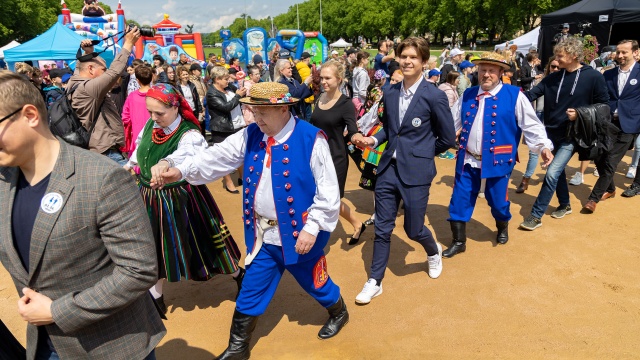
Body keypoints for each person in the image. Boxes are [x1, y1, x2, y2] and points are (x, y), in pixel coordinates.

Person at [154, 81, 349, 359]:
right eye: (252, 112)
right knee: (251, 289)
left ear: (283, 109)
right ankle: (238, 348)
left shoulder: (310, 138)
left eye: (262, 113)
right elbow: (216, 157)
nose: (255, 119)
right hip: (264, 236)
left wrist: (313, 227)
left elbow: (328, 190)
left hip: (300, 235)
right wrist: (181, 170)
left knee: (316, 284)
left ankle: (338, 311)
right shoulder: (251, 134)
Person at [0, 71, 165, 359]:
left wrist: (56, 311)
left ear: (29, 115)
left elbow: (138, 270)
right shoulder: (4, 181)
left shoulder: (103, 178)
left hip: (110, 347)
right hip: (44, 346)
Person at [352, 37, 457, 304]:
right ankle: (375, 281)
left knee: (413, 229)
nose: (408, 61)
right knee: (383, 228)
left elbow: (446, 139)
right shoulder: (390, 91)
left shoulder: (434, 95)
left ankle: (432, 251)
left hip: (417, 172)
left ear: (424, 62)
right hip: (388, 169)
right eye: (404, 56)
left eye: (413, 57)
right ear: (398, 59)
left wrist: (420, 154)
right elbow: (389, 128)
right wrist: (373, 140)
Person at [124, 83, 244, 315]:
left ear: (176, 107)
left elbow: (188, 155)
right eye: (150, 112)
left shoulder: (189, 133)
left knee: (206, 241)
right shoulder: (153, 124)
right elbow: (141, 149)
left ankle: (238, 275)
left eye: (159, 113)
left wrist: (166, 163)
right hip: (150, 196)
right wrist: (129, 166)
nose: (153, 117)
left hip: (183, 199)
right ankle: (156, 297)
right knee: (154, 246)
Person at [443, 52, 554, 258]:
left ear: (501, 73)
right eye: (483, 70)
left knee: (498, 202)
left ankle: (502, 226)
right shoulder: (468, 94)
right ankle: (459, 241)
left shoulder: (515, 95)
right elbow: (451, 123)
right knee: (459, 200)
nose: (486, 75)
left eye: (491, 71)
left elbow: (531, 125)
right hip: (467, 159)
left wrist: (543, 146)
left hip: (499, 160)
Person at [520, 37, 609, 231]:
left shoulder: (593, 77)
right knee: (556, 172)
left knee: (551, 172)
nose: (556, 59)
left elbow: (604, 106)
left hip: (572, 135)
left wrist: (580, 113)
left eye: (561, 56)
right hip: (549, 134)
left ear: (574, 55)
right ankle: (565, 204)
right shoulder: (553, 77)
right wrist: (506, 95)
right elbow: (530, 96)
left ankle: (536, 216)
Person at [310, 59, 365, 245]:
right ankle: (356, 224)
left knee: (332, 199)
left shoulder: (346, 104)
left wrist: (357, 136)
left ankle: (357, 224)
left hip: (336, 157)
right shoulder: (320, 98)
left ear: (339, 79)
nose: (323, 82)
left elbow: (352, 128)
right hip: (316, 156)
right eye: (321, 78)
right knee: (317, 195)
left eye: (328, 78)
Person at [68, 28, 141, 165]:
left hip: (97, 150)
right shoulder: (88, 88)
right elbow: (114, 72)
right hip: (106, 153)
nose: (105, 72)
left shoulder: (74, 81)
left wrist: (88, 53)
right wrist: (129, 44)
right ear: (90, 69)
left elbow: (81, 65)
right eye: (103, 69)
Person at [585, 40, 640, 206]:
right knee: (598, 156)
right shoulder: (608, 74)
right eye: (618, 52)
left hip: (630, 125)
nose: (620, 55)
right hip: (608, 123)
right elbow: (602, 98)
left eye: (624, 52)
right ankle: (610, 188)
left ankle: (593, 198)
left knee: (611, 161)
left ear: (635, 53)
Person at [516, 56, 560, 194]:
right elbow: (530, 96)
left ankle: (552, 184)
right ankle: (526, 179)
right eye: (553, 66)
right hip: (538, 117)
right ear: (548, 67)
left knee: (555, 153)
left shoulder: (566, 84)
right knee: (534, 150)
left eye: (559, 67)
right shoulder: (542, 81)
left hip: (556, 123)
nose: (556, 69)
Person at [207, 66, 248, 193]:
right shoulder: (211, 94)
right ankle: (228, 182)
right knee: (224, 157)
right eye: (225, 79)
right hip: (222, 129)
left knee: (240, 153)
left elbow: (240, 96)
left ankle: (242, 178)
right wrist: (237, 96)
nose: (228, 81)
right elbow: (225, 107)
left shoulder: (229, 88)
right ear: (217, 79)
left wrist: (242, 90)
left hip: (236, 126)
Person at [122, 64, 153, 156]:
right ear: (151, 79)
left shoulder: (132, 96)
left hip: (137, 132)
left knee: (138, 158)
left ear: (137, 80)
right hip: (155, 131)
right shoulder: (157, 94)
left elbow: (125, 117)